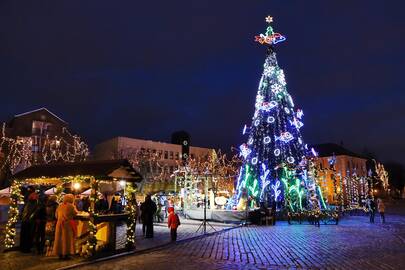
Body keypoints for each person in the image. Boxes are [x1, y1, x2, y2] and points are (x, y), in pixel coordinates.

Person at [53, 194, 78, 259]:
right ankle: (66, 254)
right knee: (66, 239)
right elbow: (75, 213)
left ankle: (59, 253)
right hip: (67, 224)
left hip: (59, 223)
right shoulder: (71, 206)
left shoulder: (60, 205)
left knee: (59, 239)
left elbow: (56, 215)